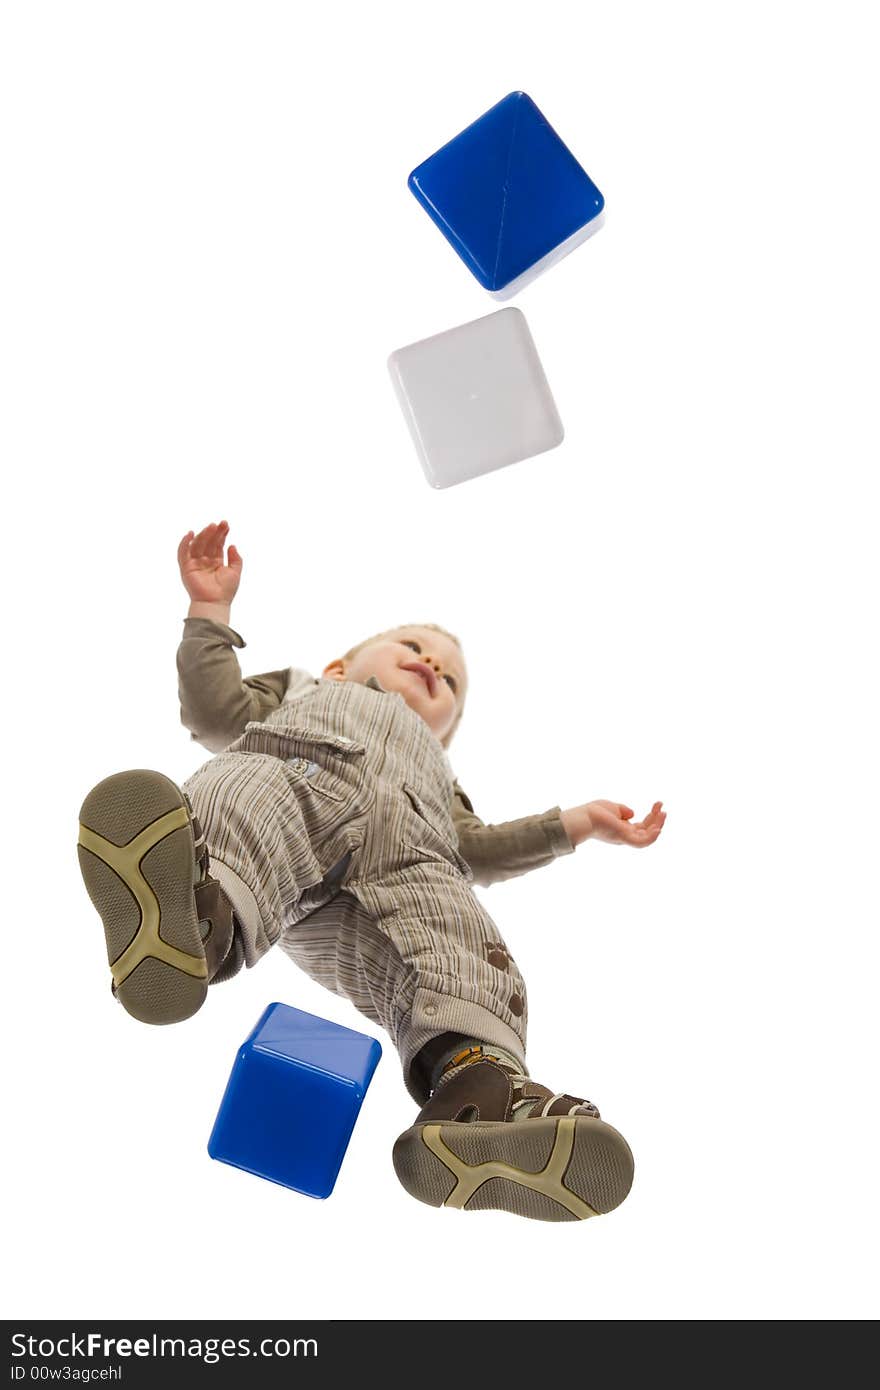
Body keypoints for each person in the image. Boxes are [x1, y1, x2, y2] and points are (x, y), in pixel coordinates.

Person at [78, 521, 666, 1222]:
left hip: (408, 863)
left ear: (444, 730)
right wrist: (211, 611)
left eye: (449, 681)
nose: (432, 668)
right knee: (246, 796)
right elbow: (213, 711)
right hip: (299, 795)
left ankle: (480, 1093)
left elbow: (478, 851)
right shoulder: (299, 691)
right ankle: (195, 914)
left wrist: (575, 825)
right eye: (414, 649)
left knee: (463, 948)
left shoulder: (441, 780)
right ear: (337, 670)